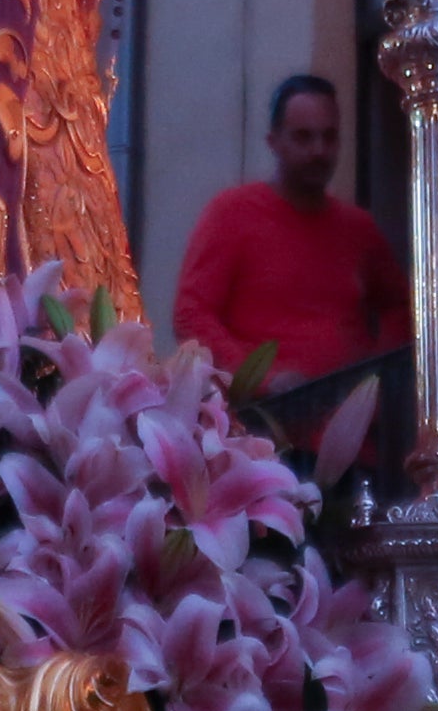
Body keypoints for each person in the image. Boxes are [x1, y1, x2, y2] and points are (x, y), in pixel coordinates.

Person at [174, 72, 407, 493]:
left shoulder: (359, 231)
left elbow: (400, 307)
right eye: (303, 137)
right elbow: (191, 314)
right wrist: (260, 376)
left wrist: (372, 382)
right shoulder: (232, 215)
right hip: (260, 445)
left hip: (349, 454)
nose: (319, 151)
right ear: (273, 141)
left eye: (329, 137)